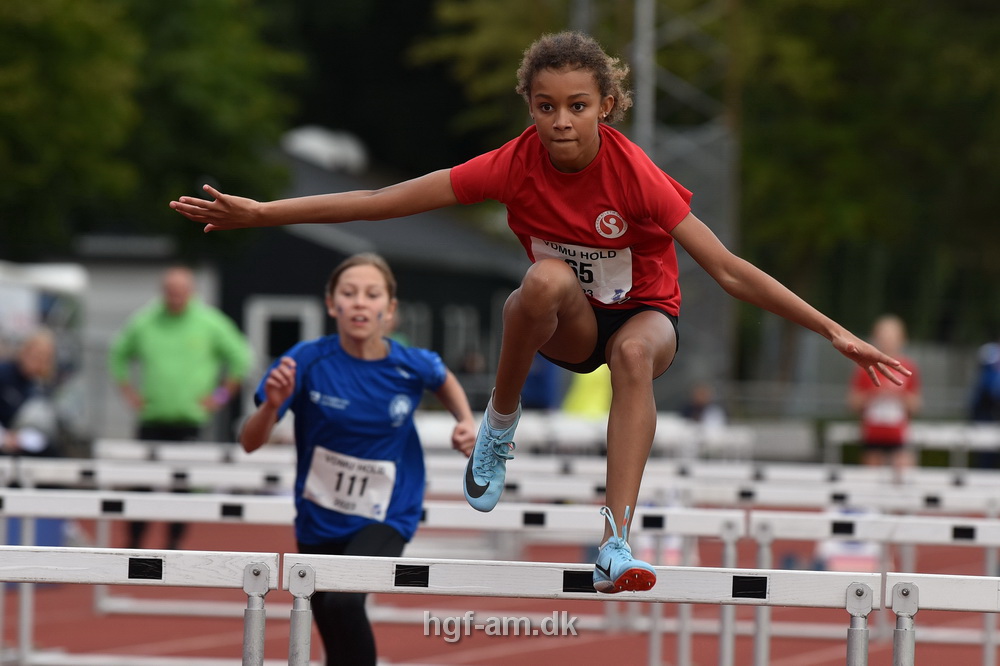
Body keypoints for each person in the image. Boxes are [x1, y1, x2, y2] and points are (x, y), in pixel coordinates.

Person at [170, 31, 910, 593]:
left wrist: (833, 330)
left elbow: (727, 270)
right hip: (567, 323)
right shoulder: (511, 163)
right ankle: (500, 423)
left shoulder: (636, 175)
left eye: (578, 107)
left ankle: (616, 541)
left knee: (630, 356)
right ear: (529, 105)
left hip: (645, 316)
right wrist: (263, 212)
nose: (561, 122)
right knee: (544, 279)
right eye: (546, 107)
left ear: (605, 107)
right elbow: (381, 202)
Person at [239, 253, 476, 666]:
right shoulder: (307, 360)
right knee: (329, 621)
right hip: (319, 512)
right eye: (349, 293)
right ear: (332, 305)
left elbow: (444, 379)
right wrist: (271, 407)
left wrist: (466, 421)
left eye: (372, 294)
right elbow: (249, 443)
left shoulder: (409, 363)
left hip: (388, 510)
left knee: (344, 602)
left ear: (390, 308)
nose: (360, 302)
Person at [108, 266, 252, 549]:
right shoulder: (145, 321)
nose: (175, 298)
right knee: (141, 484)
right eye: (170, 292)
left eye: (180, 292)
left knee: (183, 486)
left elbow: (241, 358)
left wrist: (221, 395)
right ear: (162, 292)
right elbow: (118, 354)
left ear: (191, 292)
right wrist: (129, 392)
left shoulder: (210, 322)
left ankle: (174, 546)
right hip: (152, 418)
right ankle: (134, 543)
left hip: (190, 421)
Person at [847, 315, 921, 478]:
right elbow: (853, 403)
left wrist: (898, 395)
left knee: (904, 476)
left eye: (892, 338)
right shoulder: (864, 366)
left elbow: (916, 405)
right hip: (872, 434)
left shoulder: (908, 367)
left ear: (901, 339)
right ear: (875, 338)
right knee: (870, 479)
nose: (888, 342)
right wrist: (875, 393)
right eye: (884, 337)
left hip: (899, 435)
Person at [0, 329, 61, 456]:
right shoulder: (4, 373)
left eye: (45, 357)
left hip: (22, 446)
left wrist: (21, 439)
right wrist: (4, 438)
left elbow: (41, 431)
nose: (39, 360)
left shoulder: (39, 388)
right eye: (36, 354)